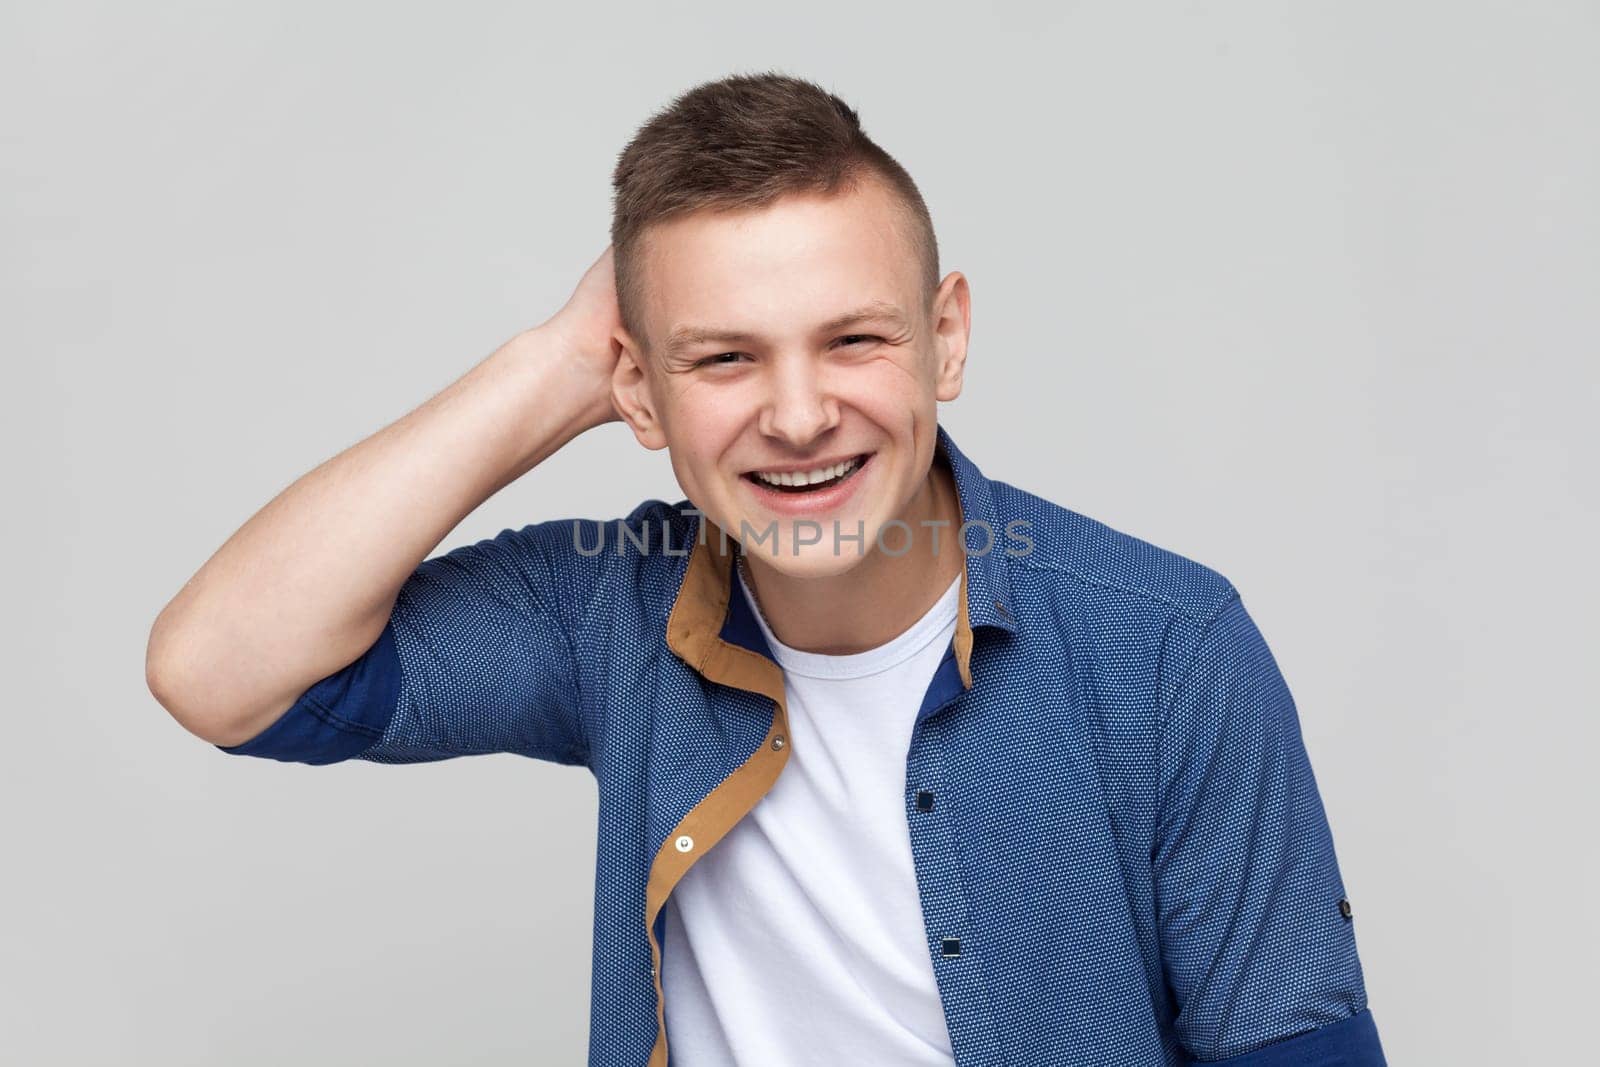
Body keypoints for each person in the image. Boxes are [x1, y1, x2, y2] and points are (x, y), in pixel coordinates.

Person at [145, 71, 1387, 1066]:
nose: (797, 416)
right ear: (638, 384)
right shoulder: (605, 609)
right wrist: (556, 363)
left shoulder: (1167, 646)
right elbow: (218, 670)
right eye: (723, 359)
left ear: (944, 337)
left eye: (852, 339)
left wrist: (671, 354)